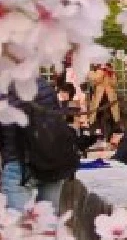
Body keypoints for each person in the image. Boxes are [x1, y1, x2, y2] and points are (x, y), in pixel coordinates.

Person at [1, 75, 77, 211]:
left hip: (18, 165)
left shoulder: (4, 89)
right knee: (47, 226)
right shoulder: (44, 85)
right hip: (51, 162)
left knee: (20, 227)